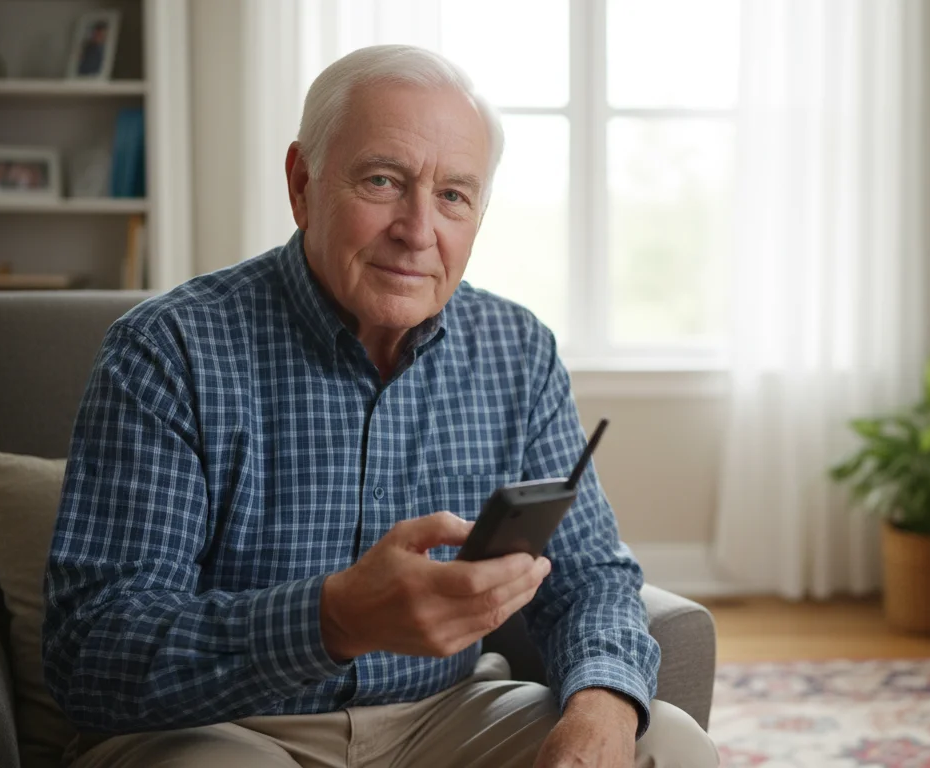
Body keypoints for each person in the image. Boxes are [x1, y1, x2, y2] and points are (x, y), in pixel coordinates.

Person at [41, 44, 716, 768]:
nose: (418, 230)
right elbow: (92, 653)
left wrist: (604, 707)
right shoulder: (167, 350)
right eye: (384, 181)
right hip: (229, 726)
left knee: (668, 744)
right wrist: (332, 618)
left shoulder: (518, 349)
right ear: (302, 183)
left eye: (454, 195)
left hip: (446, 716)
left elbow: (591, 576)